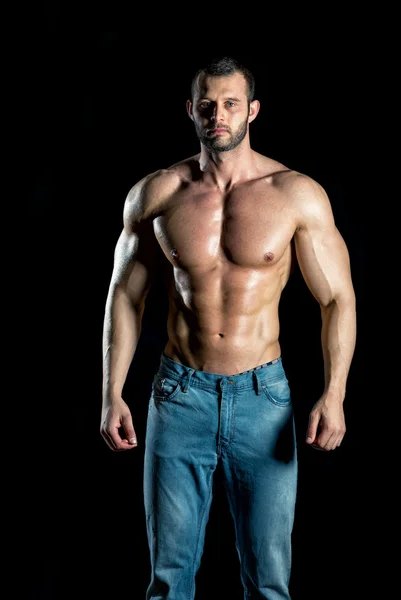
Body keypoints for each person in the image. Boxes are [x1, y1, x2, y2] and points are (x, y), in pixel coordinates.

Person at [100, 55, 356, 600]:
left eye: (231, 103)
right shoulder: (158, 194)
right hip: (179, 394)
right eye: (208, 104)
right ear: (191, 111)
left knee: (269, 583)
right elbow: (125, 296)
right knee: (169, 582)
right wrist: (111, 394)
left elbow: (336, 299)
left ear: (253, 111)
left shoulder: (294, 194)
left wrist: (334, 394)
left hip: (263, 398)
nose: (219, 114)